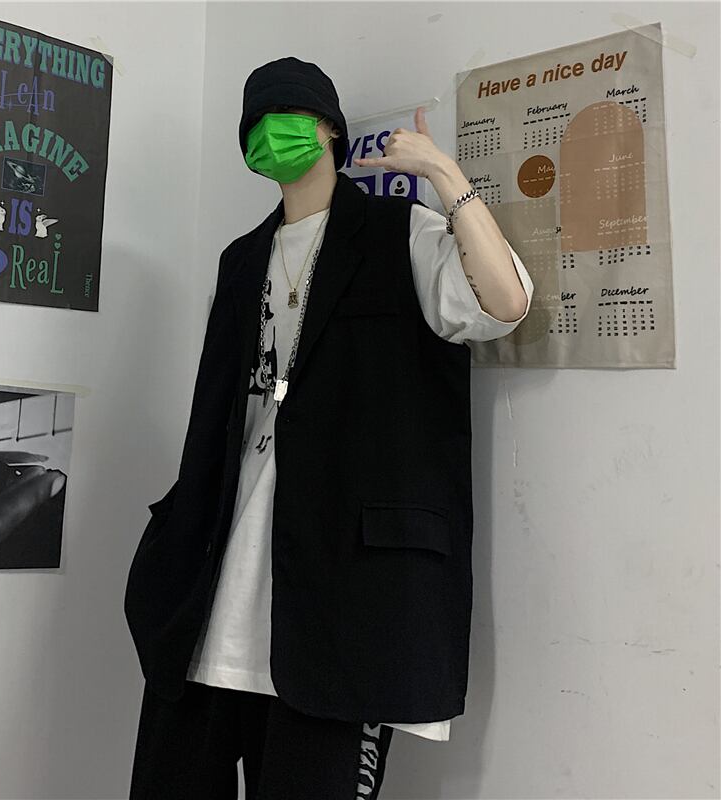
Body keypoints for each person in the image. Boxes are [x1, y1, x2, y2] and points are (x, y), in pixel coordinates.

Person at [126, 56, 534, 800]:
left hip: (342, 605)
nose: (270, 132)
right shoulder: (240, 261)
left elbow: (503, 303)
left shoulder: (401, 232)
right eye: (256, 122)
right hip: (208, 597)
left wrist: (442, 172)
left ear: (330, 129)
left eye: (289, 115)